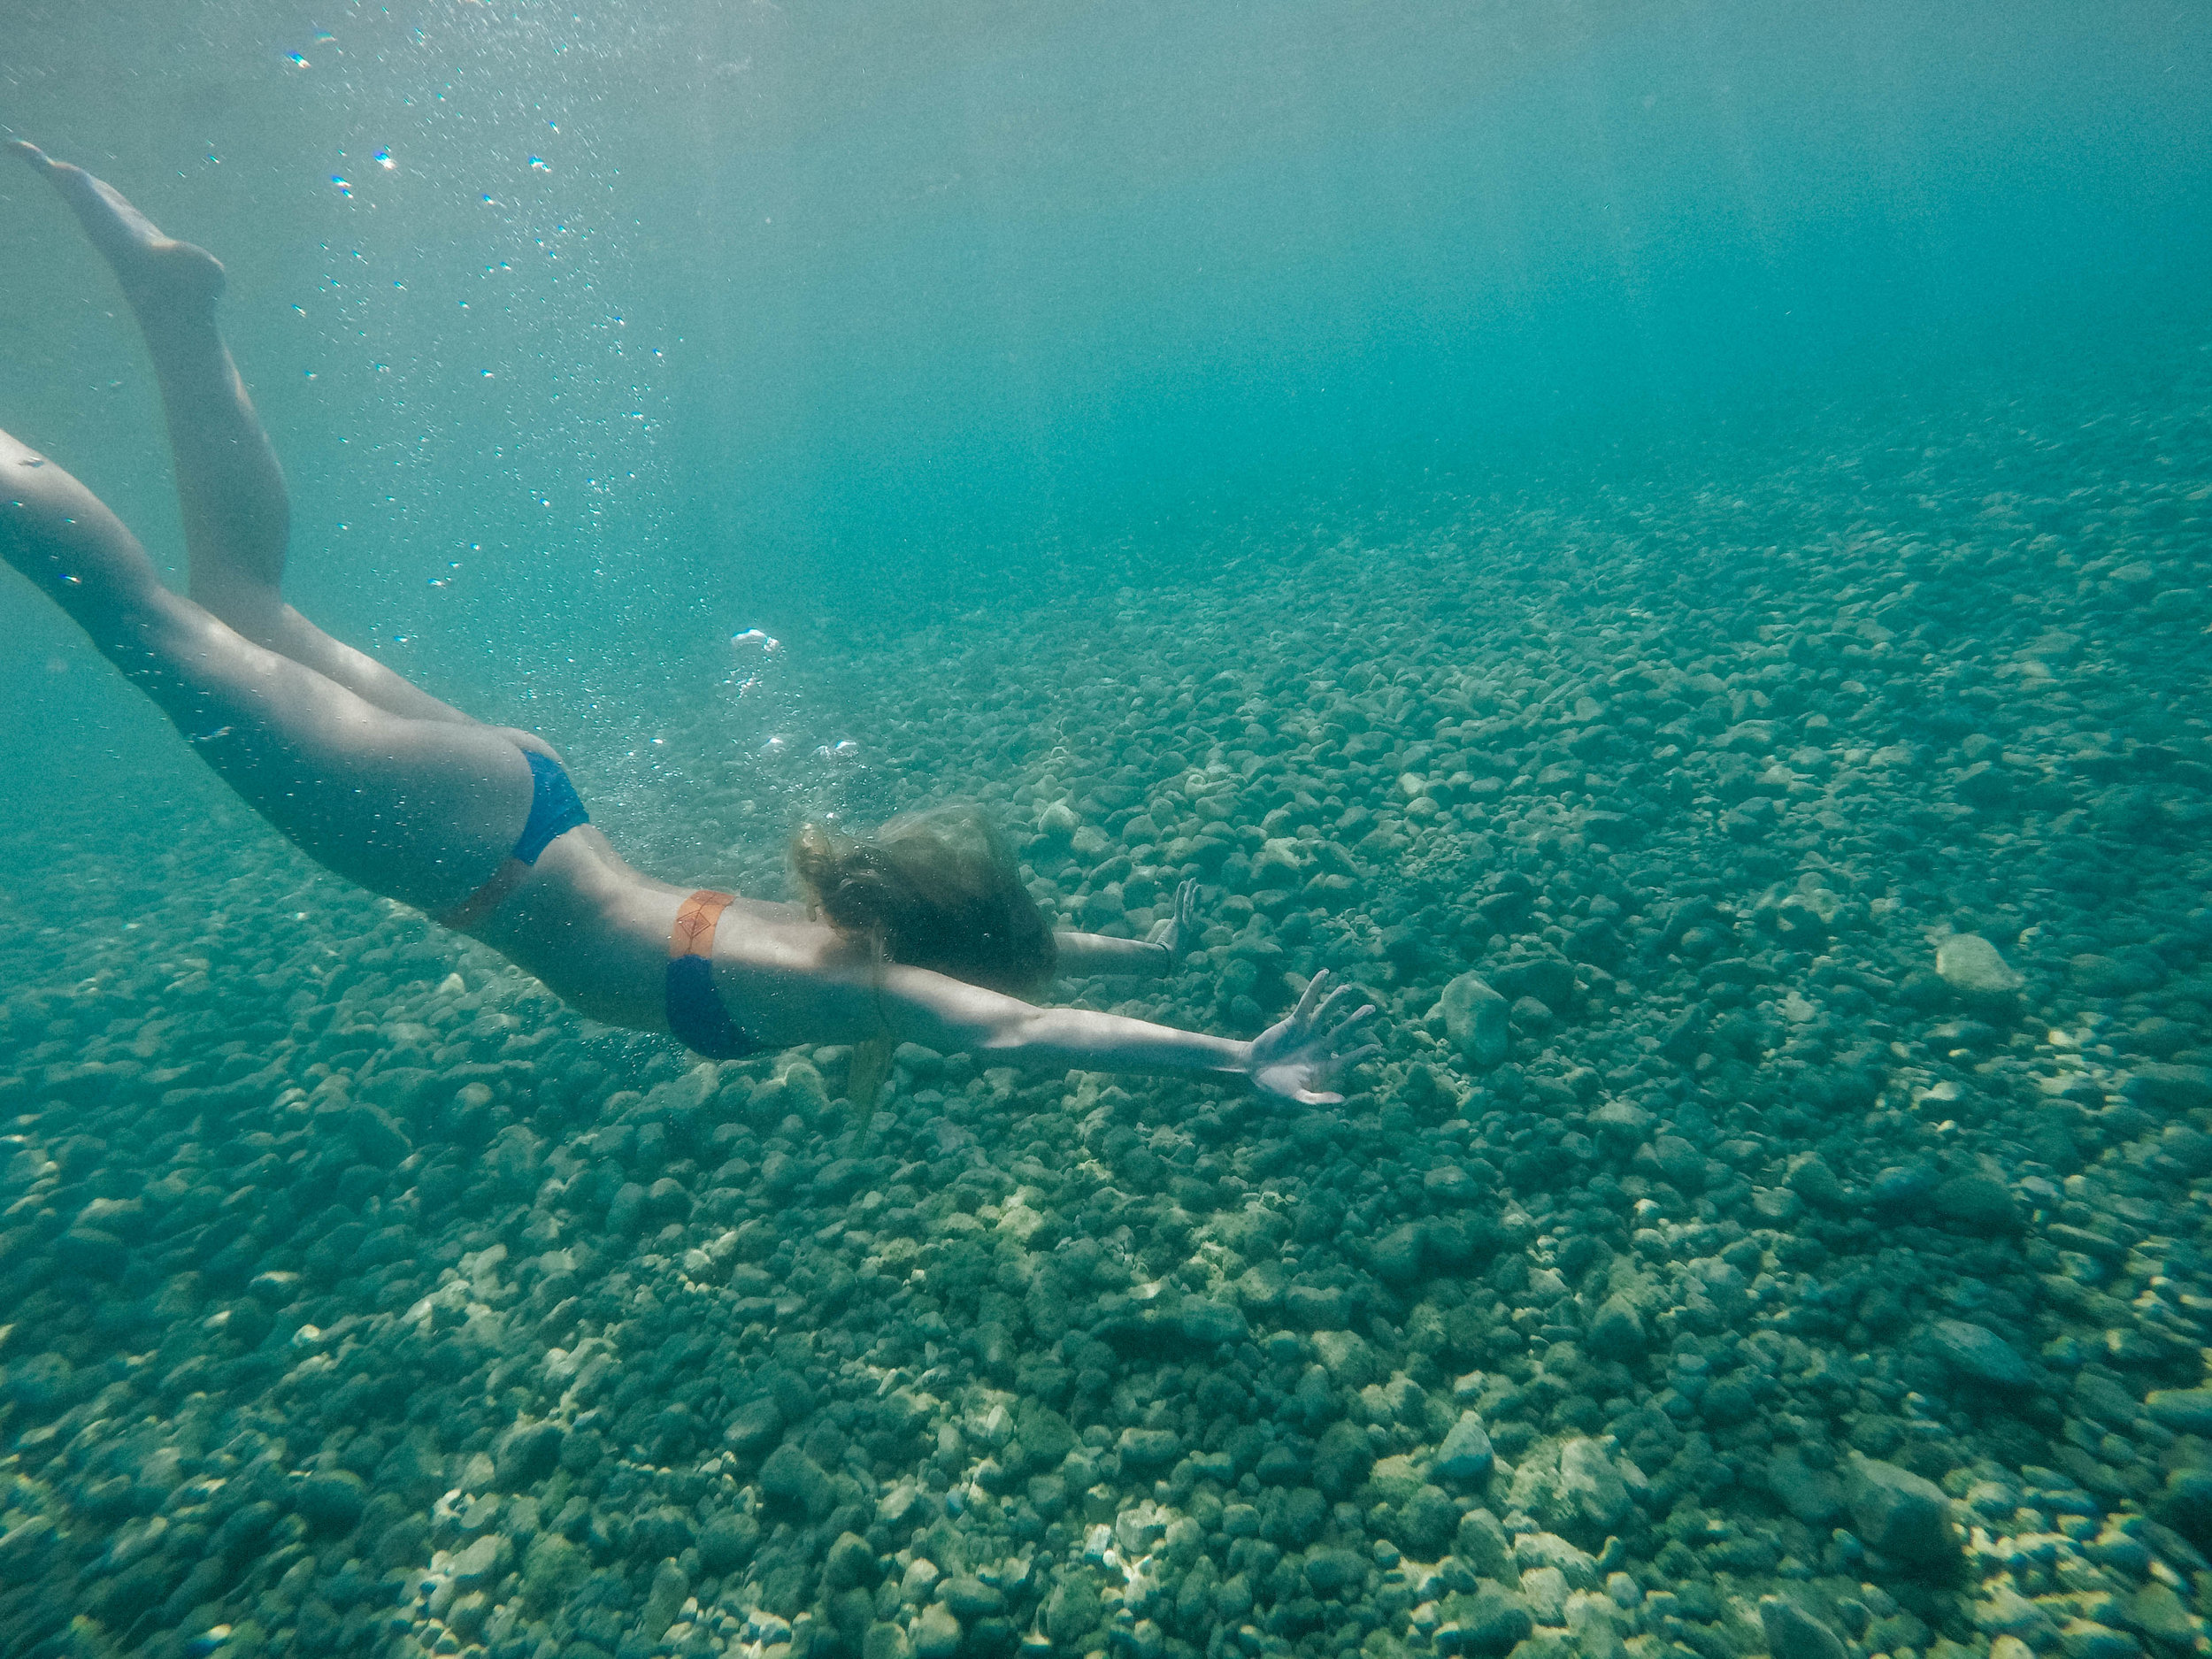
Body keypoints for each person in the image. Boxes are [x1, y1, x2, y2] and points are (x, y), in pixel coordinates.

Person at [0, 145, 1379, 1105]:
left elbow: (1015, 958)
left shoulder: (869, 940)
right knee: (145, 632)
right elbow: (1018, 1023)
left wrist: (1151, 951)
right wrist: (1224, 1056)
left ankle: (179, 308)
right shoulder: (865, 991)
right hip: (475, 856)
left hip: (532, 800)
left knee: (240, 605)